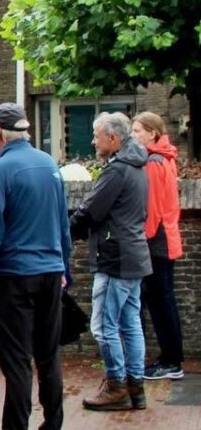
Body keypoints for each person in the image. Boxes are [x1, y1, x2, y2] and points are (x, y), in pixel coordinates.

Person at [0, 103, 71, 430]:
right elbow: (62, 223)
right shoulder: (50, 166)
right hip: (50, 274)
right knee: (49, 356)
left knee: (16, 362)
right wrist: (65, 269)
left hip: (14, 276)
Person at [71, 112, 152, 411]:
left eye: (96, 135)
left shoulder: (117, 171)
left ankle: (116, 384)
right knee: (130, 323)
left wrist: (66, 232)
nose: (93, 141)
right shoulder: (137, 166)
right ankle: (136, 386)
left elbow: (91, 211)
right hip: (133, 255)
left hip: (115, 257)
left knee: (104, 325)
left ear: (113, 139)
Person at [132, 112, 185, 380]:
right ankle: (171, 359)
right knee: (163, 301)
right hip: (167, 238)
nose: (133, 136)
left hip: (156, 242)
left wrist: (141, 240)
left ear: (152, 133)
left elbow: (151, 210)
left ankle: (172, 362)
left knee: (160, 302)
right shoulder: (166, 158)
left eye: (138, 131)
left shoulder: (153, 163)